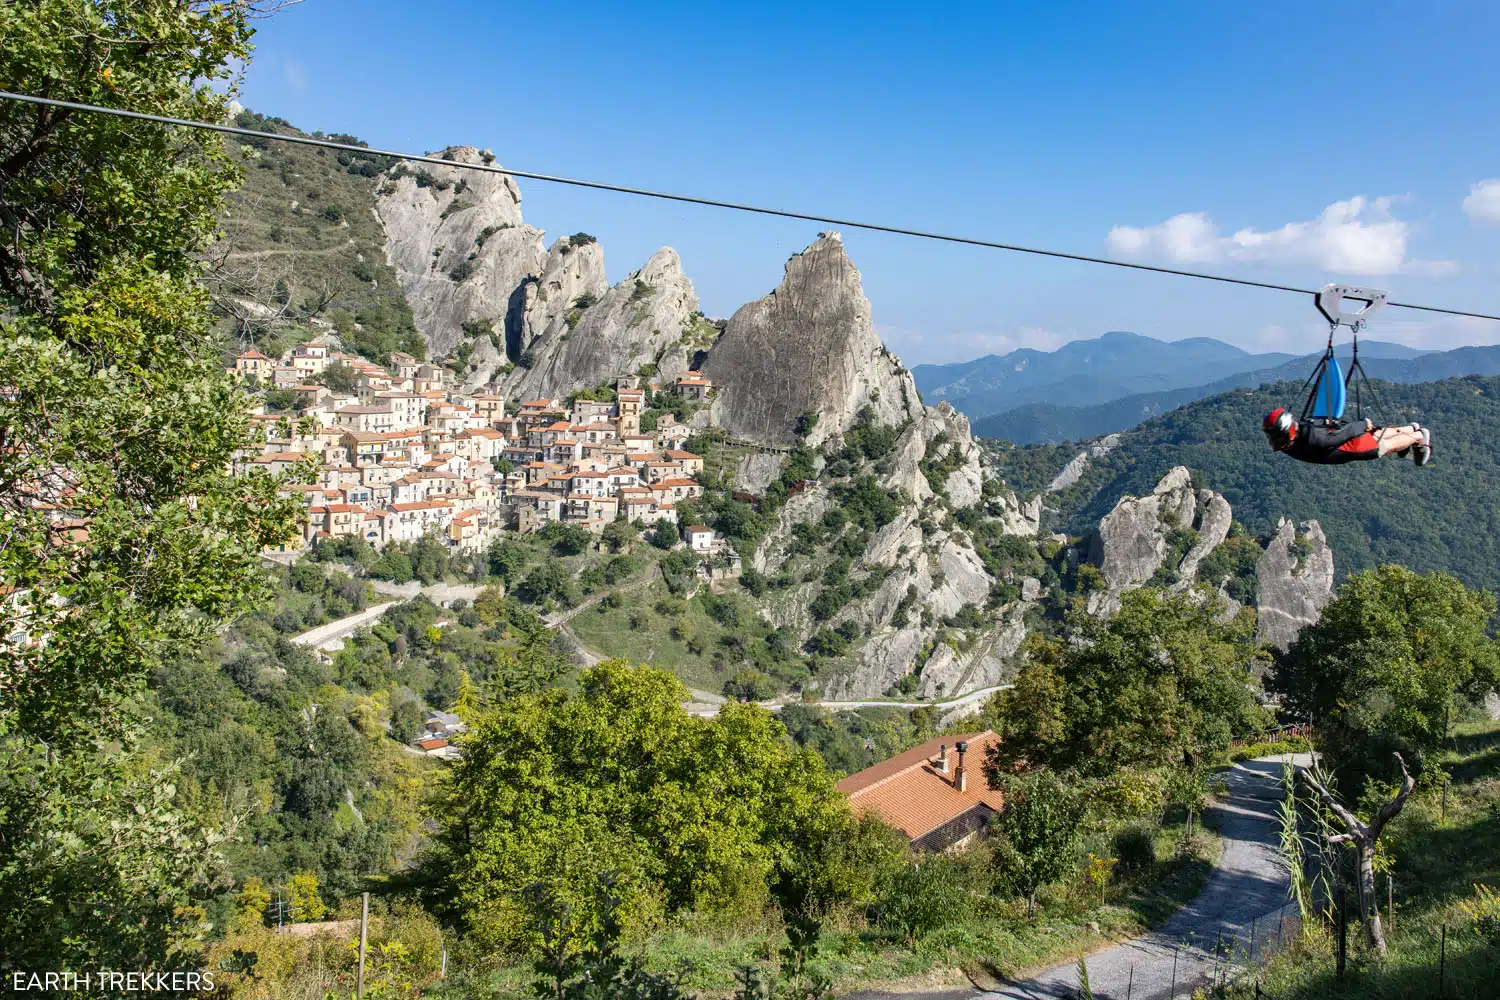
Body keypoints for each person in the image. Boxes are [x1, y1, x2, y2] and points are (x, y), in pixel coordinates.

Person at [1262, 408, 1431, 466]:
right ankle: (1410, 428)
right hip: (1347, 443)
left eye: (1276, 436)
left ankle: (1417, 436)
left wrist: (1362, 424)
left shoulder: (1313, 438)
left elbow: (1341, 435)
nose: (1273, 441)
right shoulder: (1296, 437)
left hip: (1352, 447)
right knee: (1377, 434)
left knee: (1383, 447)